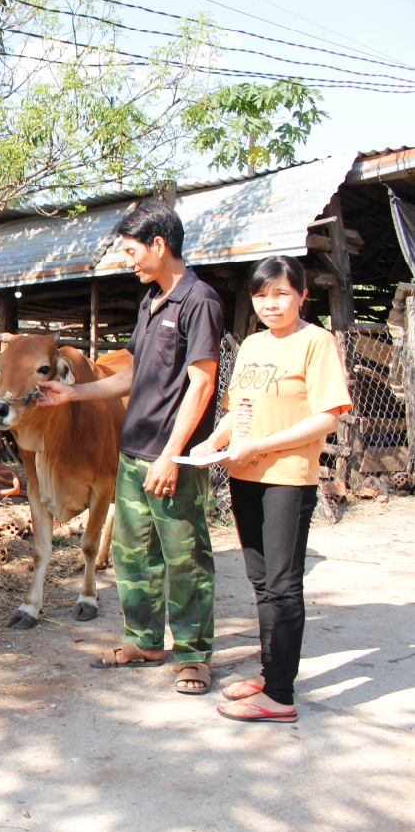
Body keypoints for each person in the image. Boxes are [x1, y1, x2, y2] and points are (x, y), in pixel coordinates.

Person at [38, 201, 223, 693]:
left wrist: (171, 453)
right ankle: (144, 639)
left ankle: (194, 655)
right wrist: (73, 393)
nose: (128, 261)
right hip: (134, 452)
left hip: (173, 457)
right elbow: (134, 374)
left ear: (159, 246)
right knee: (132, 553)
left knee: (184, 556)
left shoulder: (199, 301)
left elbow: (201, 385)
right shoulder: (151, 302)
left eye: (131, 251)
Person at [191, 256, 351, 723]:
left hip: (286, 478)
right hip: (244, 476)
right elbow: (237, 410)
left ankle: (280, 695)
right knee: (261, 584)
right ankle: (270, 674)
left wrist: (257, 446)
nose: (271, 303)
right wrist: (212, 443)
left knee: (283, 587)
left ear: (302, 295)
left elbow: (328, 416)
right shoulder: (253, 345)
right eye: (262, 295)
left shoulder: (314, 342)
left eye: (282, 293)